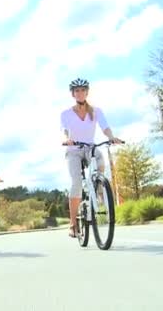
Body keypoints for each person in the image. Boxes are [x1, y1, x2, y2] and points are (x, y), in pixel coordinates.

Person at [60, 78, 122, 237]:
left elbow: (105, 126)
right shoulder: (66, 113)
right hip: (73, 149)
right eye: (77, 91)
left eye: (82, 90)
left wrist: (111, 137)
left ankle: (99, 190)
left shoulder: (96, 111)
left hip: (89, 146)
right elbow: (65, 129)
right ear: (73, 94)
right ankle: (73, 224)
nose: (80, 93)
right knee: (76, 183)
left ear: (87, 92)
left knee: (100, 161)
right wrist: (67, 139)